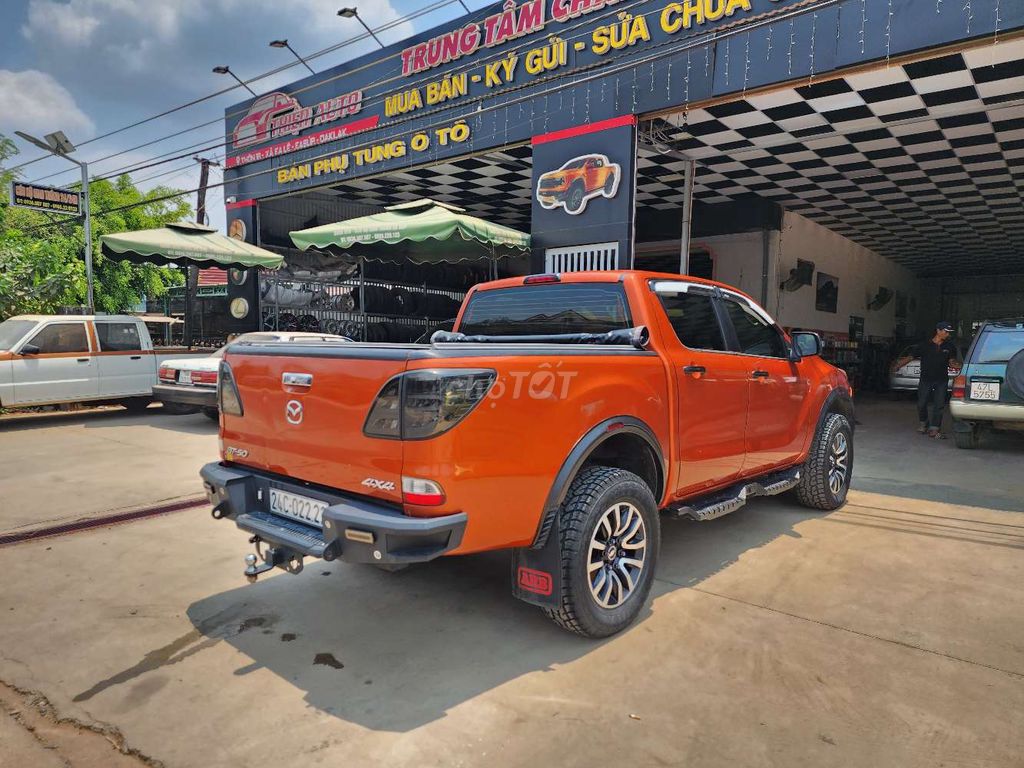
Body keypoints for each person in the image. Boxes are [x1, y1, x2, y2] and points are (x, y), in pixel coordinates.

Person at [896, 321, 960, 438]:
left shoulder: (950, 347)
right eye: (946, 332)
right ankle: (924, 423)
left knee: (939, 405)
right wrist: (898, 365)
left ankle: (935, 428)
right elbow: (911, 357)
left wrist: (962, 367)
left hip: (941, 380)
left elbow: (951, 362)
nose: (948, 334)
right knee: (921, 403)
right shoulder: (925, 345)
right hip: (926, 379)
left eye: (949, 332)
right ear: (938, 331)